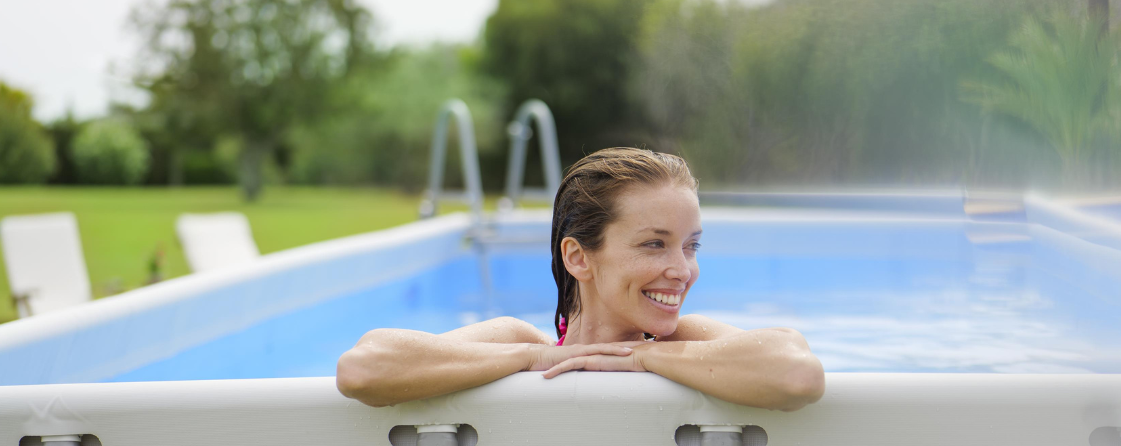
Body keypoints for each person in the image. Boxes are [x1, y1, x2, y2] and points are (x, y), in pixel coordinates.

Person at [337, 147, 824, 411]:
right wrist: (536, 357)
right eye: (654, 243)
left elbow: (796, 372)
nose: (683, 269)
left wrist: (642, 357)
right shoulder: (516, 342)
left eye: (690, 245)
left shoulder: (683, 342)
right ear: (578, 257)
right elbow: (365, 368)